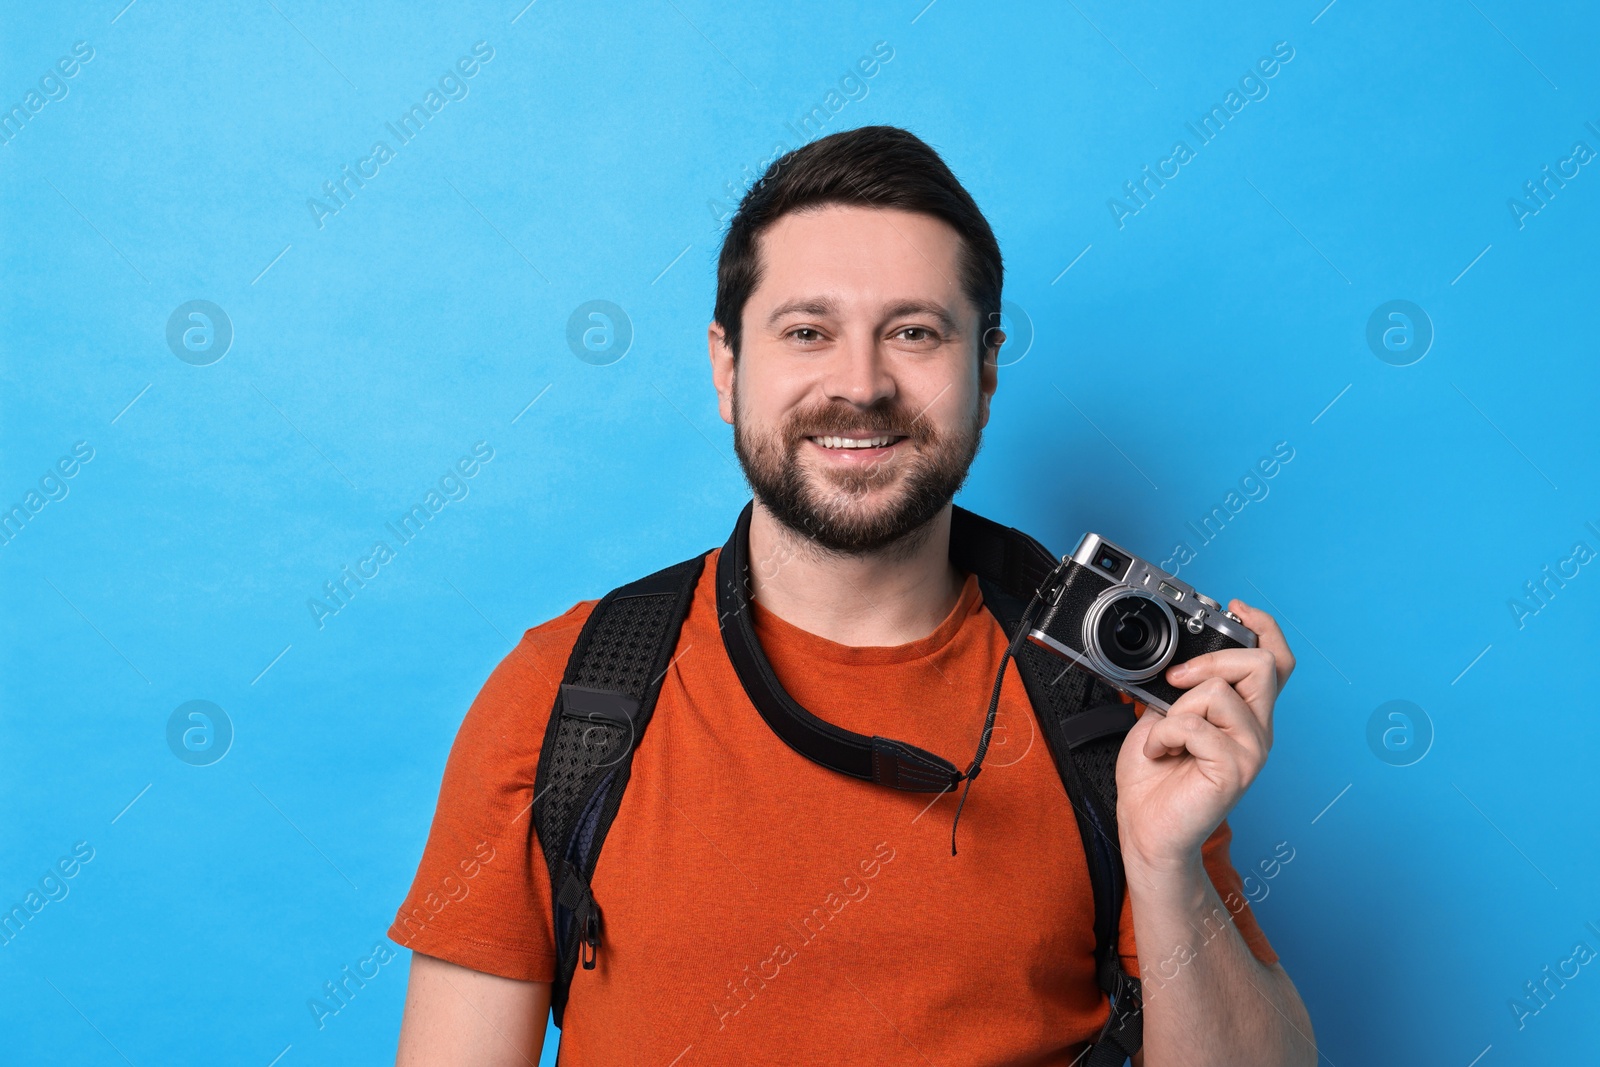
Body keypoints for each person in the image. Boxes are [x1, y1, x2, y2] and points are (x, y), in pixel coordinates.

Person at [390, 124, 1315, 1066]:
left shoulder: (1103, 700)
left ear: (986, 371)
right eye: (807, 332)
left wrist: (1165, 869)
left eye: (914, 333)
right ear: (726, 367)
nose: (861, 385)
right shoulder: (563, 695)